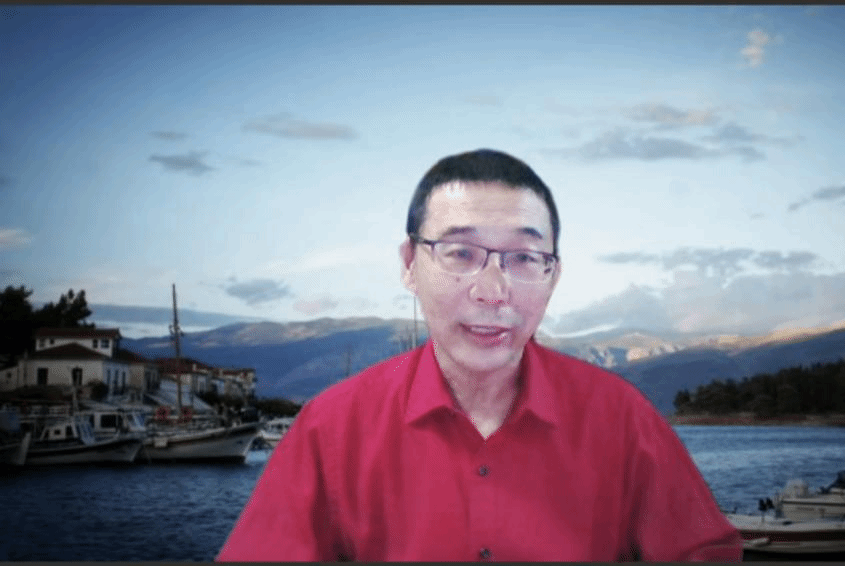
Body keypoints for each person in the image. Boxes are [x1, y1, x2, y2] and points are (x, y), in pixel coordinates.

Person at [216, 149, 742, 562]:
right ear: (409, 264)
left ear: (552, 275)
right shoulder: (329, 429)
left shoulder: (621, 418)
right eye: (461, 253)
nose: (493, 291)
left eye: (524, 257)